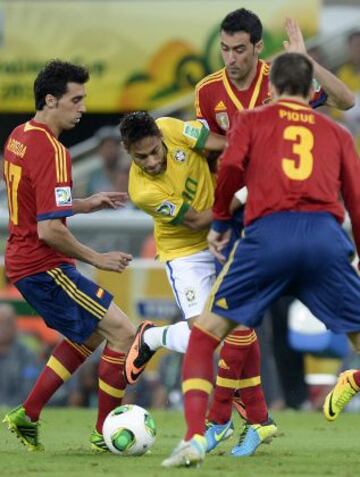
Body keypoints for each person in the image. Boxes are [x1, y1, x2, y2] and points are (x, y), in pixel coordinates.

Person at [162, 51, 360, 468]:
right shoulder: (338, 134)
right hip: (324, 240)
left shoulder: (251, 121)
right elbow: (356, 205)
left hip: (267, 237)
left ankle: (195, 437)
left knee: (204, 335)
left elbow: (231, 169)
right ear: (311, 91)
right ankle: (354, 378)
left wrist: (219, 221)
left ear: (270, 89)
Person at [194, 8, 356, 427]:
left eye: (239, 50)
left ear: (258, 48)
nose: (231, 59)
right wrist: (242, 141)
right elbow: (207, 146)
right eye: (225, 50)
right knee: (239, 323)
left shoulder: (284, 77)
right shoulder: (208, 91)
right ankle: (248, 418)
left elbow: (345, 99)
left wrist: (306, 61)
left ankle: (241, 419)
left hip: (281, 210)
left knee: (245, 319)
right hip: (240, 214)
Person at [122, 111, 276, 456]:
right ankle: (152, 337)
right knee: (206, 336)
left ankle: (245, 419)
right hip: (186, 252)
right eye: (140, 157)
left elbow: (220, 144)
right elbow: (196, 220)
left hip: (224, 237)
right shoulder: (143, 190)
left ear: (161, 138)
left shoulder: (173, 128)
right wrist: (246, 193)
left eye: (154, 152)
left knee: (239, 326)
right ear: (127, 152)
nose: (151, 161)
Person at [2, 59, 136, 452]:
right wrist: (98, 258)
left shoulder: (18, 135)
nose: (82, 108)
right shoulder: (54, 151)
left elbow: (39, 206)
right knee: (124, 333)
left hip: (25, 260)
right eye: (75, 100)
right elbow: (50, 229)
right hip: (42, 264)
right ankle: (104, 434)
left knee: (92, 334)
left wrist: (86, 204)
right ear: (50, 99)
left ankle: (27, 414)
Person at [0, 304, 42, 407]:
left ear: (15, 325)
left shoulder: (28, 354)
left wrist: (7, 407)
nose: (3, 327)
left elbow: (29, 388)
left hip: (17, 410)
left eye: (8, 323)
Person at [86, 126, 130, 196]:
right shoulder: (94, 177)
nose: (110, 151)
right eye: (106, 147)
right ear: (100, 150)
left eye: (112, 146)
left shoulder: (128, 171)